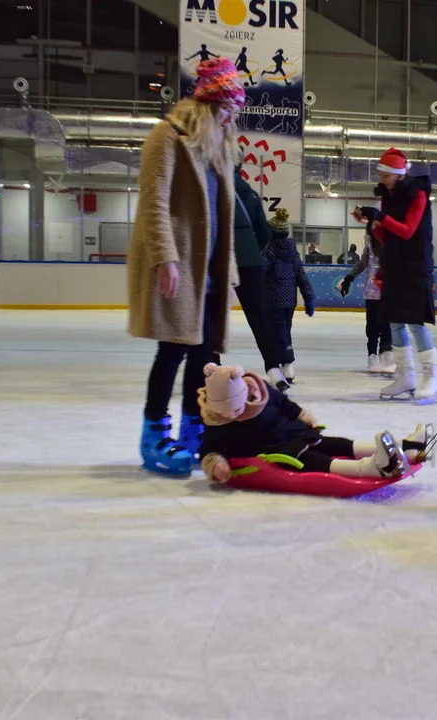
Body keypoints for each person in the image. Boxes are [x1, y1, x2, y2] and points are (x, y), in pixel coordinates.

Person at [127, 57, 245, 477]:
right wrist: (164, 256)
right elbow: (153, 201)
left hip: (210, 271)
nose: (233, 115)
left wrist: (229, 274)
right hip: (181, 265)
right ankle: (155, 437)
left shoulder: (221, 152)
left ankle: (198, 431)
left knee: (205, 356)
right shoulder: (167, 136)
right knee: (174, 348)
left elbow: (225, 220)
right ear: (209, 104)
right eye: (228, 106)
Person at [197, 363, 433, 483]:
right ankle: (371, 467)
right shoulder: (217, 422)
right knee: (316, 461)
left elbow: (285, 405)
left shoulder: (260, 392)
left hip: (295, 433)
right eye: (226, 411)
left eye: (236, 407)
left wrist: (303, 416)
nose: (232, 415)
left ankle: (408, 446)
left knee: (336, 444)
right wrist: (215, 464)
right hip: (278, 452)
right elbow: (208, 448)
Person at [353, 147, 437, 404]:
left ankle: (432, 375)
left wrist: (381, 217)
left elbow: (407, 231)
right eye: (380, 172)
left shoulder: (418, 195)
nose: (380, 177)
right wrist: (371, 224)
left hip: (415, 265)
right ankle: (406, 376)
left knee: (415, 322)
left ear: (398, 174)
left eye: (385, 173)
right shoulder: (387, 196)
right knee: (394, 322)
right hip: (393, 264)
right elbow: (387, 236)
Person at [233, 164, 289, 392]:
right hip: (250, 264)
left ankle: (211, 364)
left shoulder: (214, 188)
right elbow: (265, 232)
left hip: (220, 262)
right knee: (259, 317)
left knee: (212, 316)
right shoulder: (252, 193)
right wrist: (252, 251)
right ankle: (274, 368)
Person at [263, 208, 314, 384]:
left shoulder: (268, 251)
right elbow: (301, 275)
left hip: (271, 300)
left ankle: (286, 363)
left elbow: (260, 269)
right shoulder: (293, 251)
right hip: (289, 301)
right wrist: (308, 297)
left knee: (276, 333)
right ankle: (285, 365)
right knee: (284, 330)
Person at [340, 232, 394, 374]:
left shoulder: (395, 246)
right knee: (373, 326)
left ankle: (385, 355)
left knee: (387, 326)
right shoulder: (370, 247)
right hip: (372, 293)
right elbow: (362, 264)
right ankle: (372, 355)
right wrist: (348, 278)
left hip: (389, 294)